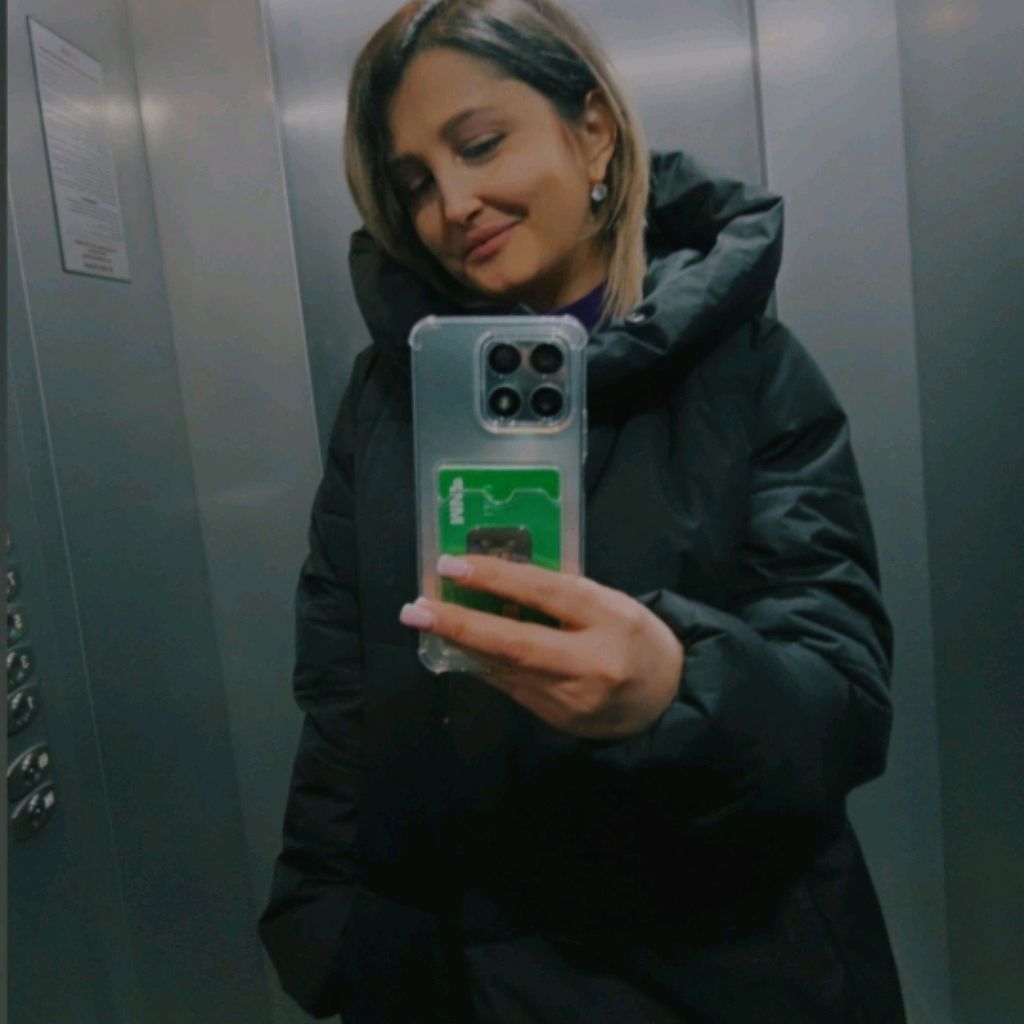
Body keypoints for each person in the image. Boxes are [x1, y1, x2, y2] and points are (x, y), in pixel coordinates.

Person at [258, 1, 907, 1020]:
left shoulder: (750, 375)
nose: (453, 203)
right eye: (415, 181)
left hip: (717, 970)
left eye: (480, 144)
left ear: (593, 131)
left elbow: (844, 707)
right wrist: (330, 933)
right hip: (456, 984)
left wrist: (674, 689)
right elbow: (341, 693)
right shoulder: (392, 400)